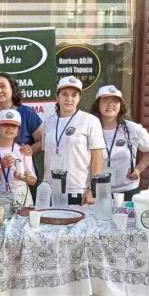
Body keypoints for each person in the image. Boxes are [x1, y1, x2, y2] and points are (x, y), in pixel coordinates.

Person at [42, 76, 105, 205]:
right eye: (64, 94)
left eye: (74, 95)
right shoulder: (48, 122)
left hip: (78, 190)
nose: (69, 99)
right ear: (57, 96)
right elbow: (47, 156)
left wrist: (92, 189)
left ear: (79, 98)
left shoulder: (90, 121)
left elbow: (97, 157)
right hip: (50, 190)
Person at [90, 85, 149, 200]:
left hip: (128, 190)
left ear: (121, 105)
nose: (110, 105)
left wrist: (139, 169)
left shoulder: (133, 129)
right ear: (97, 105)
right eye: (105, 100)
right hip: (97, 190)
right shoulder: (89, 128)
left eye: (115, 101)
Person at [0, 73, 43, 154]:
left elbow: (43, 141)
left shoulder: (27, 113)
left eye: (2, 86)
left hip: (21, 165)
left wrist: (30, 150)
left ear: (12, 89)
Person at [0, 109, 37, 206]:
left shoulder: (23, 150)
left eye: (14, 126)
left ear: (18, 131)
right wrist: (0, 166)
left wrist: (23, 177)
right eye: (5, 125)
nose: (9, 128)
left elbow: (33, 181)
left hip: (21, 195)